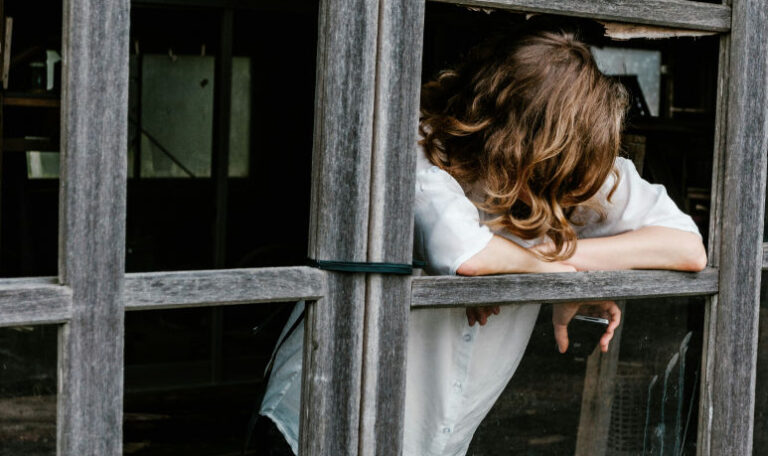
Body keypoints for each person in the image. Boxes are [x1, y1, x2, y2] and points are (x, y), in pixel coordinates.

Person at [258, 24, 707, 456]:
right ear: (519, 139)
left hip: (443, 434)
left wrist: (563, 265)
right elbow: (468, 255)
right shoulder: (415, 145)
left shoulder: (577, 161)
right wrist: (556, 274)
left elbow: (687, 247)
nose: (563, 186)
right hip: (323, 419)